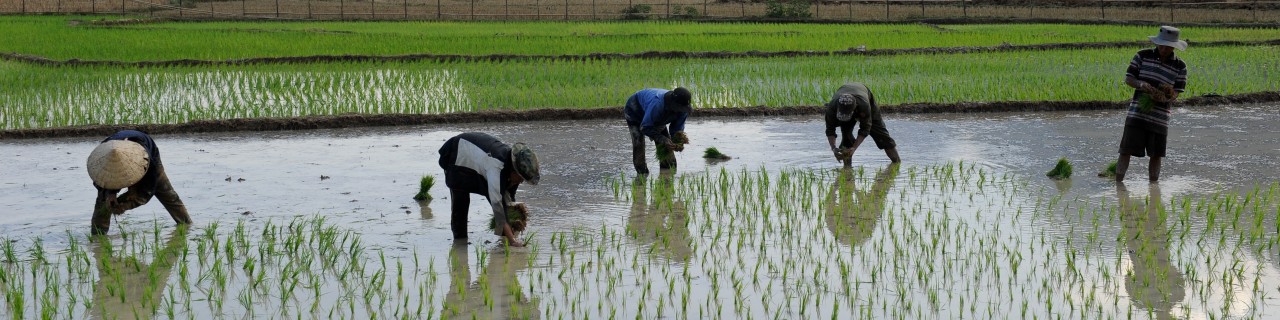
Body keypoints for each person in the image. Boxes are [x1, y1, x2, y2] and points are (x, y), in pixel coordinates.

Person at [438, 132, 540, 247]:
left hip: (479, 160)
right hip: (456, 155)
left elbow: (509, 201)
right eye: (521, 178)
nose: (521, 182)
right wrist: (513, 241)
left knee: (504, 200)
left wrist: (516, 217)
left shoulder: (513, 167)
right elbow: (498, 208)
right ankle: (459, 243)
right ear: (514, 171)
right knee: (461, 203)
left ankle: (504, 236)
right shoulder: (496, 168)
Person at [1115, 26, 1188, 183]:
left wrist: (1167, 96)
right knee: (1125, 151)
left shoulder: (1180, 66)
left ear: (1173, 47)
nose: (1163, 49)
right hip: (1137, 114)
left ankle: (1153, 187)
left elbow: (1176, 92)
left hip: (1160, 119)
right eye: (1161, 45)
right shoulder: (1142, 56)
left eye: (1168, 47)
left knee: (1156, 155)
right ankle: (1118, 185)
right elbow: (1129, 79)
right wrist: (1141, 85)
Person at [87, 130, 191, 235]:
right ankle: (98, 236)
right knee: (103, 202)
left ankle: (186, 224)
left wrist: (124, 206)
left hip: (147, 155)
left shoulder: (148, 163)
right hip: (112, 161)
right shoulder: (101, 157)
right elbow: (99, 180)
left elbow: (147, 192)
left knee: (166, 192)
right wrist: (110, 194)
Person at [825, 83, 901, 168]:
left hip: (864, 96)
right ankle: (847, 170)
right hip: (845, 96)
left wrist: (854, 148)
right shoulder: (832, 108)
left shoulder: (864, 105)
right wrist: (833, 148)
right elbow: (830, 130)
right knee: (846, 138)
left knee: (881, 135)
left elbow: (865, 129)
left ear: (855, 108)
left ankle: (897, 164)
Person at [624, 87, 692, 175]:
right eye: (680, 108)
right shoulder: (658, 105)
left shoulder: (684, 110)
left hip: (656, 116)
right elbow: (645, 127)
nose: (681, 111)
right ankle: (642, 174)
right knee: (638, 142)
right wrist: (663, 139)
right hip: (635, 110)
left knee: (668, 151)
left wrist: (677, 142)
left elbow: (676, 129)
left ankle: (667, 173)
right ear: (674, 104)